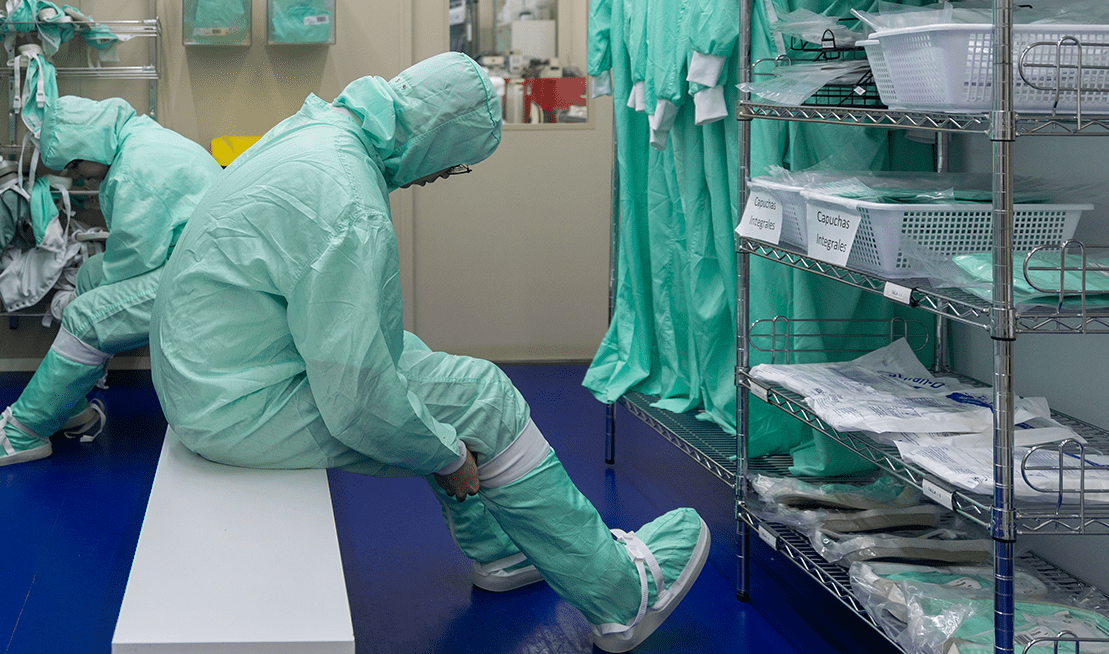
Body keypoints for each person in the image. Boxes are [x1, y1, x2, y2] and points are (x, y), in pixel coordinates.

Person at [148, 52, 708, 652]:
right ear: (436, 140)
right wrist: (444, 456)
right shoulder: (350, 202)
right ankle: (619, 593)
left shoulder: (319, 132)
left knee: (423, 372)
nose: (441, 178)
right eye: (455, 164)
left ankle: (500, 548)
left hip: (211, 374)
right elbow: (361, 399)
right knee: (479, 399)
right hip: (234, 404)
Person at [0, 96, 219, 469]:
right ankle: (69, 404)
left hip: (201, 277)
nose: (79, 176)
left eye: (76, 165)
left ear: (88, 143)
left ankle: (22, 433)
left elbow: (135, 261)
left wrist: (74, 308)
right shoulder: (138, 140)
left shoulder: (134, 169)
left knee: (86, 318)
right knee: (91, 274)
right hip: (193, 260)